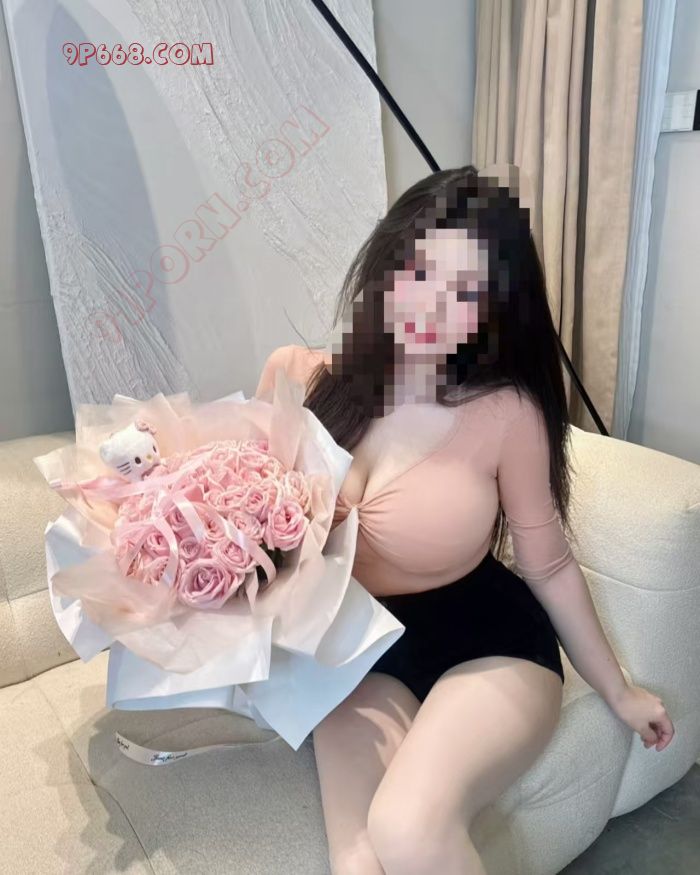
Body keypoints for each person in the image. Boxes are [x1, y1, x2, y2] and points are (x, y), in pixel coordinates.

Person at [254, 165, 674, 875]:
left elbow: (549, 564)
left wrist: (619, 690)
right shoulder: (299, 377)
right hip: (358, 650)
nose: (432, 307)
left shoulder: (507, 412)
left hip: (489, 642)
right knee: (358, 861)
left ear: (493, 312)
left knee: (408, 827)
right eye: (420, 272)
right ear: (387, 265)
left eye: (466, 293)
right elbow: (249, 520)